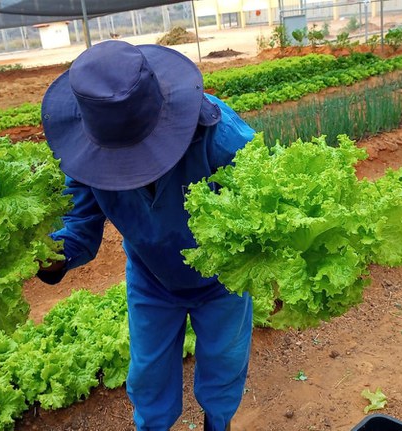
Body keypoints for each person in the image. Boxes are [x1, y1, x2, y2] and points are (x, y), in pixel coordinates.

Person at [38, 40, 255, 431]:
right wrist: (43, 254)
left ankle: (217, 424)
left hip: (223, 279)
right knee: (148, 376)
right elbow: (79, 231)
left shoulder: (219, 135)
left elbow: (262, 207)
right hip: (151, 279)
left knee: (224, 364)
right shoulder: (86, 158)